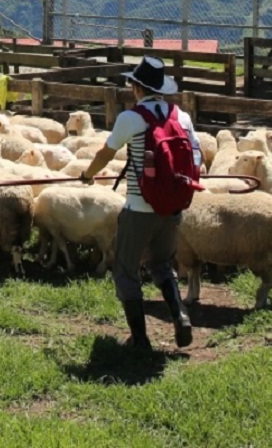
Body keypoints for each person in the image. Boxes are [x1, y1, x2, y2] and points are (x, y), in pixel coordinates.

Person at [79, 56, 201, 351]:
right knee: (162, 264)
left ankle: (140, 339)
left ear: (137, 87)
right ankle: (180, 315)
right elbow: (197, 157)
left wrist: (88, 174)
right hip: (172, 208)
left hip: (139, 208)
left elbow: (106, 153)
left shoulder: (131, 118)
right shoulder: (181, 117)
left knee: (126, 270)